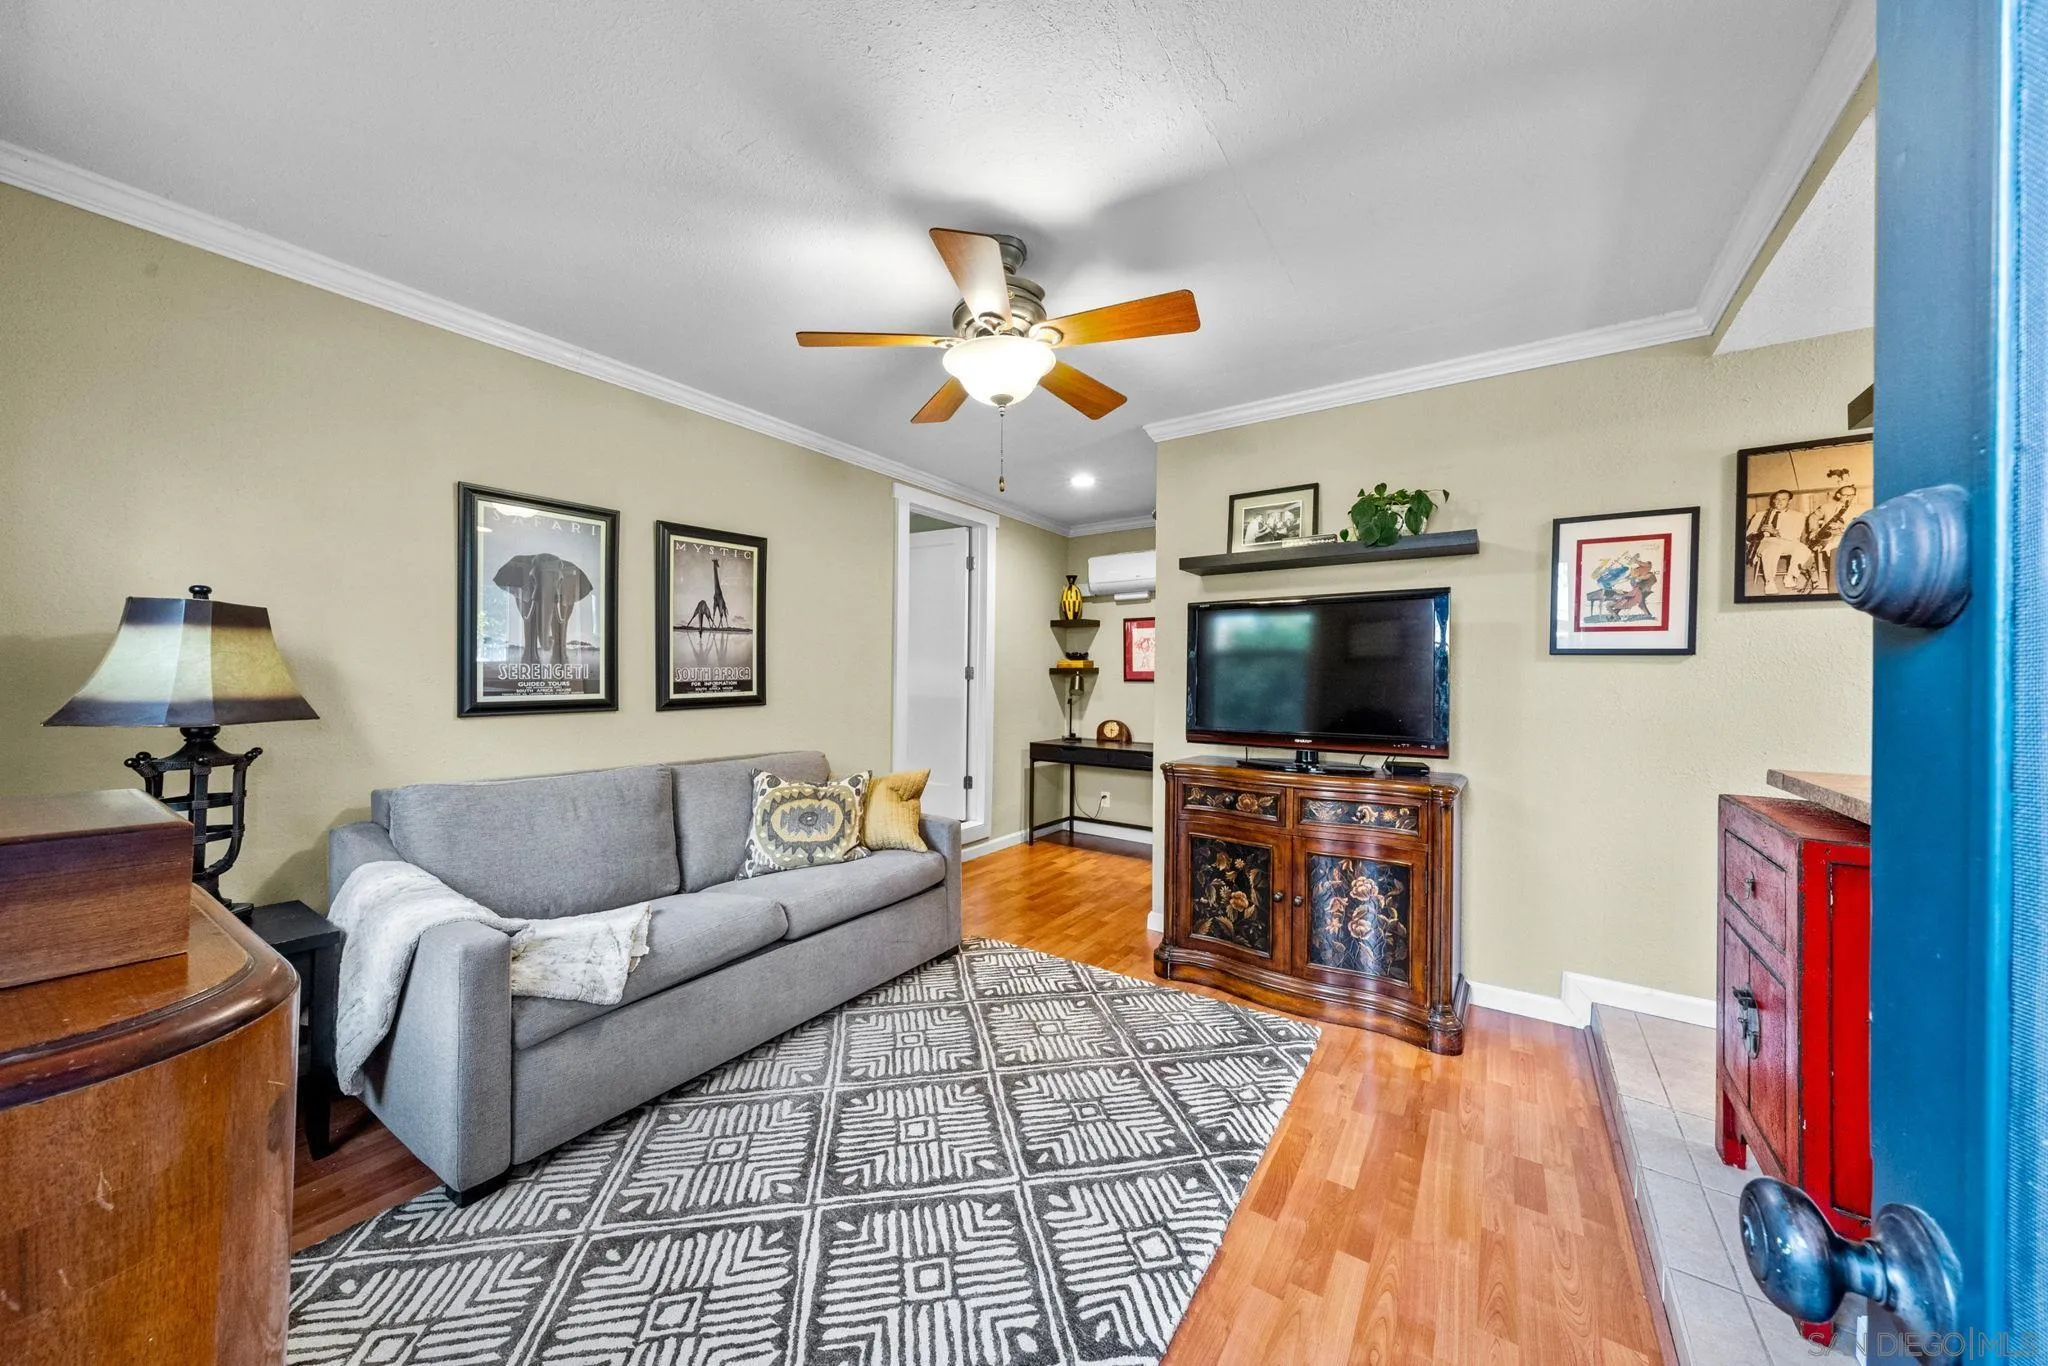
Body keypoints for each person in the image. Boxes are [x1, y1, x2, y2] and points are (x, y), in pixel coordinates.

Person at [1746, 489, 1810, 595]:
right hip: (1766, 541)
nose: (1779, 502)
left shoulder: (1798, 515)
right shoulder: (1760, 514)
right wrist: (1759, 531)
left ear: (1789, 501)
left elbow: (1796, 535)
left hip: (1787, 541)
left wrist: (1776, 532)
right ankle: (1769, 582)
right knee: (1773, 549)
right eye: (1777, 499)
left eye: (1783, 499)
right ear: (1773, 500)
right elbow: (1748, 534)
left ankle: (1790, 576)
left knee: (1803, 549)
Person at [1802, 484, 1860, 592]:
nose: (1849, 498)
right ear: (1838, 495)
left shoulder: (1860, 509)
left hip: (1849, 535)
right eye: (1846, 495)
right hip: (1827, 536)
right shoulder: (1826, 506)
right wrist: (1813, 529)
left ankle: (1837, 587)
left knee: (1838, 547)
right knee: (1804, 550)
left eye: (1852, 495)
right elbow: (1813, 517)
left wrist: (1843, 527)